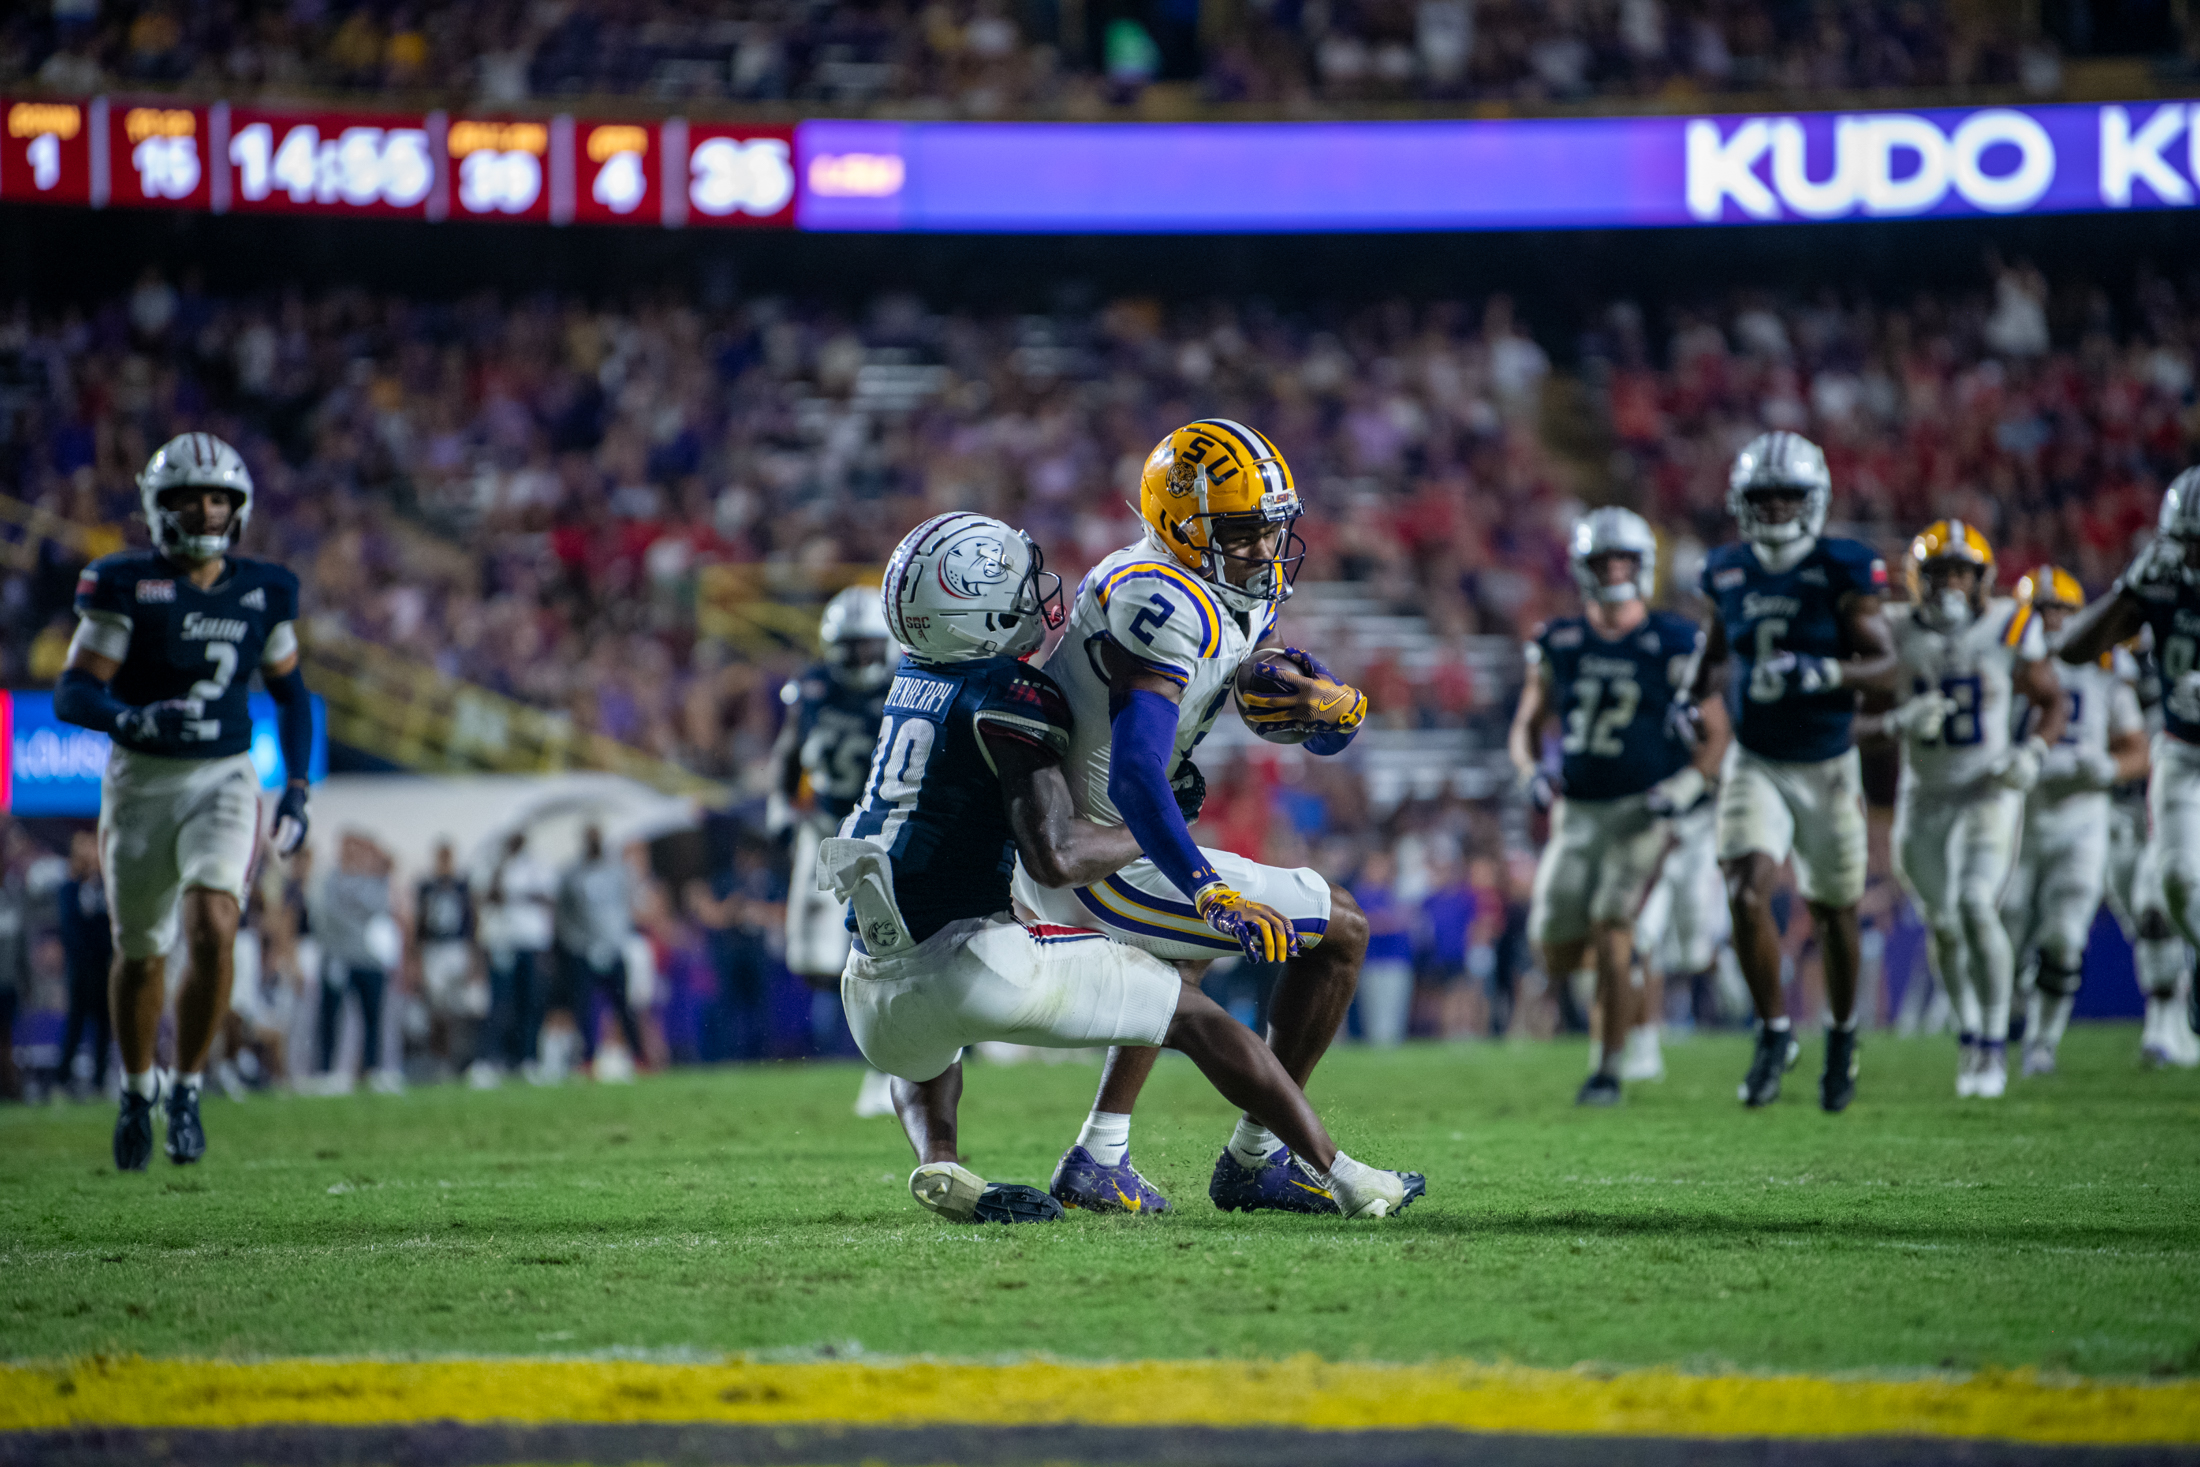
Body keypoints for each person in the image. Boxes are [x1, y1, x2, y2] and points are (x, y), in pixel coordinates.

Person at [837, 512, 1422, 1223]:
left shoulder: (909, 680)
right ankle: (1332, 1170)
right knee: (1201, 1013)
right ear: (975, 614)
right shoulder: (1012, 695)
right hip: (976, 963)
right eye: (1019, 590)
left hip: (871, 995)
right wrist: (1166, 833)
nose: (1040, 598)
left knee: (925, 1041)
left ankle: (945, 1159)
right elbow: (1057, 853)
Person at [1006, 420, 1374, 1217]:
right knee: (1341, 928)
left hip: (1110, 833)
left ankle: (1100, 1156)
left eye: (1272, 527)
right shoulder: (1157, 595)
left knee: (1181, 960)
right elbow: (1141, 772)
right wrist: (1206, 886)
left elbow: (1248, 662)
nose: (1263, 548)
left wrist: (1311, 698)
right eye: (1241, 531)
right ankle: (1258, 1156)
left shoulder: (1213, 578)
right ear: (1180, 524)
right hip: (1094, 853)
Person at [55, 432, 312, 1167]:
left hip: (225, 774)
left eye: (218, 497)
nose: (205, 509)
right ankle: (139, 1088)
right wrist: (127, 716)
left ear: (239, 506)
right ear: (157, 506)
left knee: (215, 923)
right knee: (140, 954)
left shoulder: (264, 588)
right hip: (142, 778)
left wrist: (296, 788)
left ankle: (189, 1087)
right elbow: (75, 689)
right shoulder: (125, 582)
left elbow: (293, 696)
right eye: (189, 497)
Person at [1693, 431, 1899, 1112]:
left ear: (1814, 501)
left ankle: (1841, 1035)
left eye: (1789, 496)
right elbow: (1717, 647)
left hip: (1827, 760)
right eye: (1765, 497)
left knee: (1834, 912)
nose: (1777, 509)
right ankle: (1774, 1030)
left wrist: (1824, 670)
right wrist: (1687, 698)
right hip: (1756, 758)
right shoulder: (1726, 568)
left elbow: (1888, 665)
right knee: (1745, 886)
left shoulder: (1843, 566)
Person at [1508, 506, 1723, 1106]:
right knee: (1551, 947)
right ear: (1582, 568)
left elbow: (1716, 734)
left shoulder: (1673, 640)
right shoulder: (1560, 639)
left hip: (1641, 813)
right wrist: (1530, 771)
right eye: (1602, 560)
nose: (1613, 570)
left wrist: (1683, 789)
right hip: (1576, 814)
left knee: (1612, 924)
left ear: (1644, 565)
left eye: (1623, 559)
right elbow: (1528, 722)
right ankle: (1621, 977)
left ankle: (1607, 1068)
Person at [1861, 523, 2065, 1099]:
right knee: (1944, 925)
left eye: (1961, 573)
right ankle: (1970, 1032)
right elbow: (1857, 710)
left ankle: (1995, 1041)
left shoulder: (2008, 624)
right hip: (1923, 797)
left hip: (1988, 788)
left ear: (1982, 581)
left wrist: (2034, 751)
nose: (1951, 585)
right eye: (1939, 574)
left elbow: (2052, 699)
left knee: (1977, 905)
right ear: (1916, 582)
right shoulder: (1894, 631)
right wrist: (1897, 722)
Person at [2050, 466, 2200, 1063]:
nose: (2196, 555)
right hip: (2185, 754)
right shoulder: (2162, 582)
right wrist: (2126, 589)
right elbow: (2074, 649)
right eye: (2190, 541)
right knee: (2177, 881)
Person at [1996, 566, 2151, 1077]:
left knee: (2064, 934)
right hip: (2018, 812)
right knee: (2007, 926)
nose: (2053, 620)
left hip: (2082, 815)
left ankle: (2041, 1043)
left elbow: (2136, 749)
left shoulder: (2105, 665)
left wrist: (2108, 768)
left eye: (2061, 609)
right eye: (2041, 610)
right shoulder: (2003, 660)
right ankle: (1994, 1033)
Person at [769, 586, 893, 1113]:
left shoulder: (904, 689)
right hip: (821, 828)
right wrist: (779, 806)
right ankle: (855, 1049)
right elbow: (788, 754)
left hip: (878, 833)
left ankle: (891, 1063)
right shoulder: (812, 688)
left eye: (868, 647)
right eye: (851, 647)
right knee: (813, 959)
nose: (859, 658)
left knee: (888, 947)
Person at [313, 831, 401, 1094]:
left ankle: (372, 1069)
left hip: (368, 959)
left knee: (372, 1017)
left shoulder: (375, 881)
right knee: (330, 1017)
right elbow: (327, 915)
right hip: (338, 956)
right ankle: (327, 1071)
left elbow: (381, 907)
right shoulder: (329, 880)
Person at [554, 823, 644, 1078]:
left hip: (613, 948)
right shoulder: (572, 874)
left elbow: (624, 908)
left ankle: (638, 1056)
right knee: (584, 1007)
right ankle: (588, 1059)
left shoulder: (616, 871)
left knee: (623, 1006)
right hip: (584, 950)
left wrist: (617, 940)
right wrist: (578, 945)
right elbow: (563, 917)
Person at [471, 830, 555, 1086]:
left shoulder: (536, 866)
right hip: (501, 941)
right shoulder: (492, 865)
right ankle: (489, 1059)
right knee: (498, 1003)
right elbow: (484, 897)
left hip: (530, 941)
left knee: (529, 1003)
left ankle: (528, 1059)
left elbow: (547, 898)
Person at [56, 829, 114, 1098]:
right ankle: (62, 1079)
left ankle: (100, 1079)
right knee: (76, 1021)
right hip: (80, 965)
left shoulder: (107, 887)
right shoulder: (69, 888)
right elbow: (70, 927)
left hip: (104, 964)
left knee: (104, 1022)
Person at [414, 839, 478, 1072]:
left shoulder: (462, 885)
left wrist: (473, 957)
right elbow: (419, 924)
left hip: (456, 948)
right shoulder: (427, 886)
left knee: (460, 1008)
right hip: (434, 949)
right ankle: (439, 1058)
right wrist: (417, 957)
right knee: (437, 1008)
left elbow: (471, 921)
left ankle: (461, 1059)